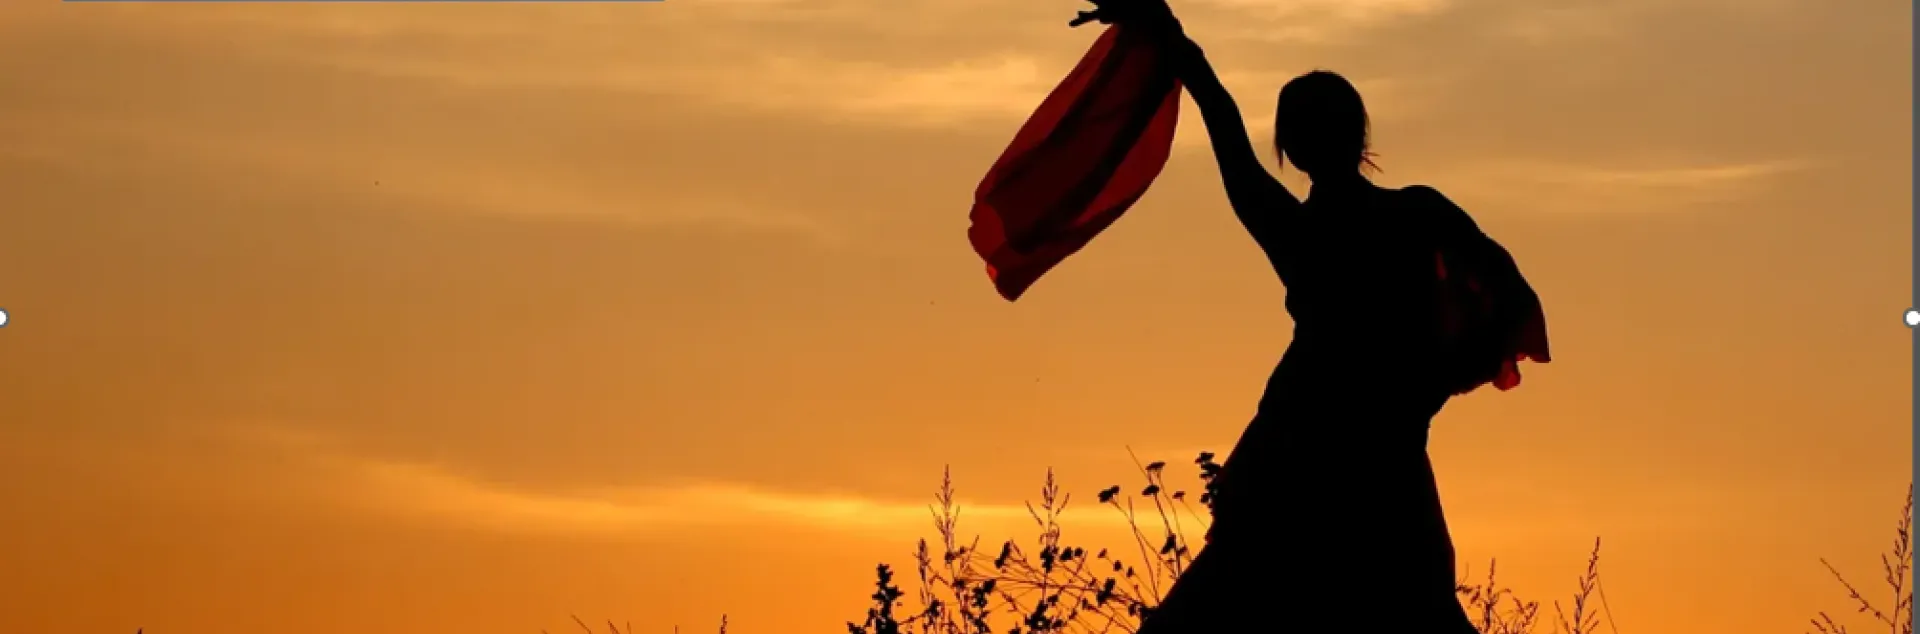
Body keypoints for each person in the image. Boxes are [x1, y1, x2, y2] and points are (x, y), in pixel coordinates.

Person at [1070, 1, 1549, 631]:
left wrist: (1173, 41)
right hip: (1376, 469)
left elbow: (1227, 134)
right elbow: (1513, 300)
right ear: (1360, 137)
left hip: (1299, 466)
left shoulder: (1299, 232)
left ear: (1291, 150)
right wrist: (1432, 379)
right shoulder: (1419, 216)